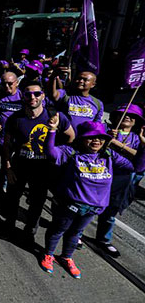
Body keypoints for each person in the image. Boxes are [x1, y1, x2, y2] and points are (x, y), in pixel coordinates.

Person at [41, 119, 145, 278]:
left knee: (76, 233)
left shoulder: (110, 156)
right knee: (58, 230)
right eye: (91, 137)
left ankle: (66, 257)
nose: (96, 140)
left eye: (101, 137)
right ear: (82, 139)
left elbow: (137, 167)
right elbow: (51, 153)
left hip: (92, 208)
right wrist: (52, 131)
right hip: (69, 205)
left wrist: (143, 147)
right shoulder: (71, 152)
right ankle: (48, 254)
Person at [3, 82, 75, 241]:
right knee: (13, 199)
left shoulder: (55, 116)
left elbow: (71, 137)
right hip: (19, 166)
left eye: (36, 94)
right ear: (23, 96)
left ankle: (29, 232)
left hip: (43, 170)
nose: (32, 97)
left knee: (37, 203)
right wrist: (8, 167)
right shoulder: (15, 118)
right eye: (28, 94)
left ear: (43, 95)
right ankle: (9, 224)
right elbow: (7, 145)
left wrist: (58, 153)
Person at [95, 104, 145, 256]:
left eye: (132, 116)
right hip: (101, 176)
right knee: (90, 207)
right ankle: (75, 234)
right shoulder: (104, 130)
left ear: (136, 122)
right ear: (115, 117)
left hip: (122, 181)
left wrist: (118, 144)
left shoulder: (137, 139)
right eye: (124, 114)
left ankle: (103, 239)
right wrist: (107, 137)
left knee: (110, 213)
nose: (128, 117)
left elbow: (139, 162)